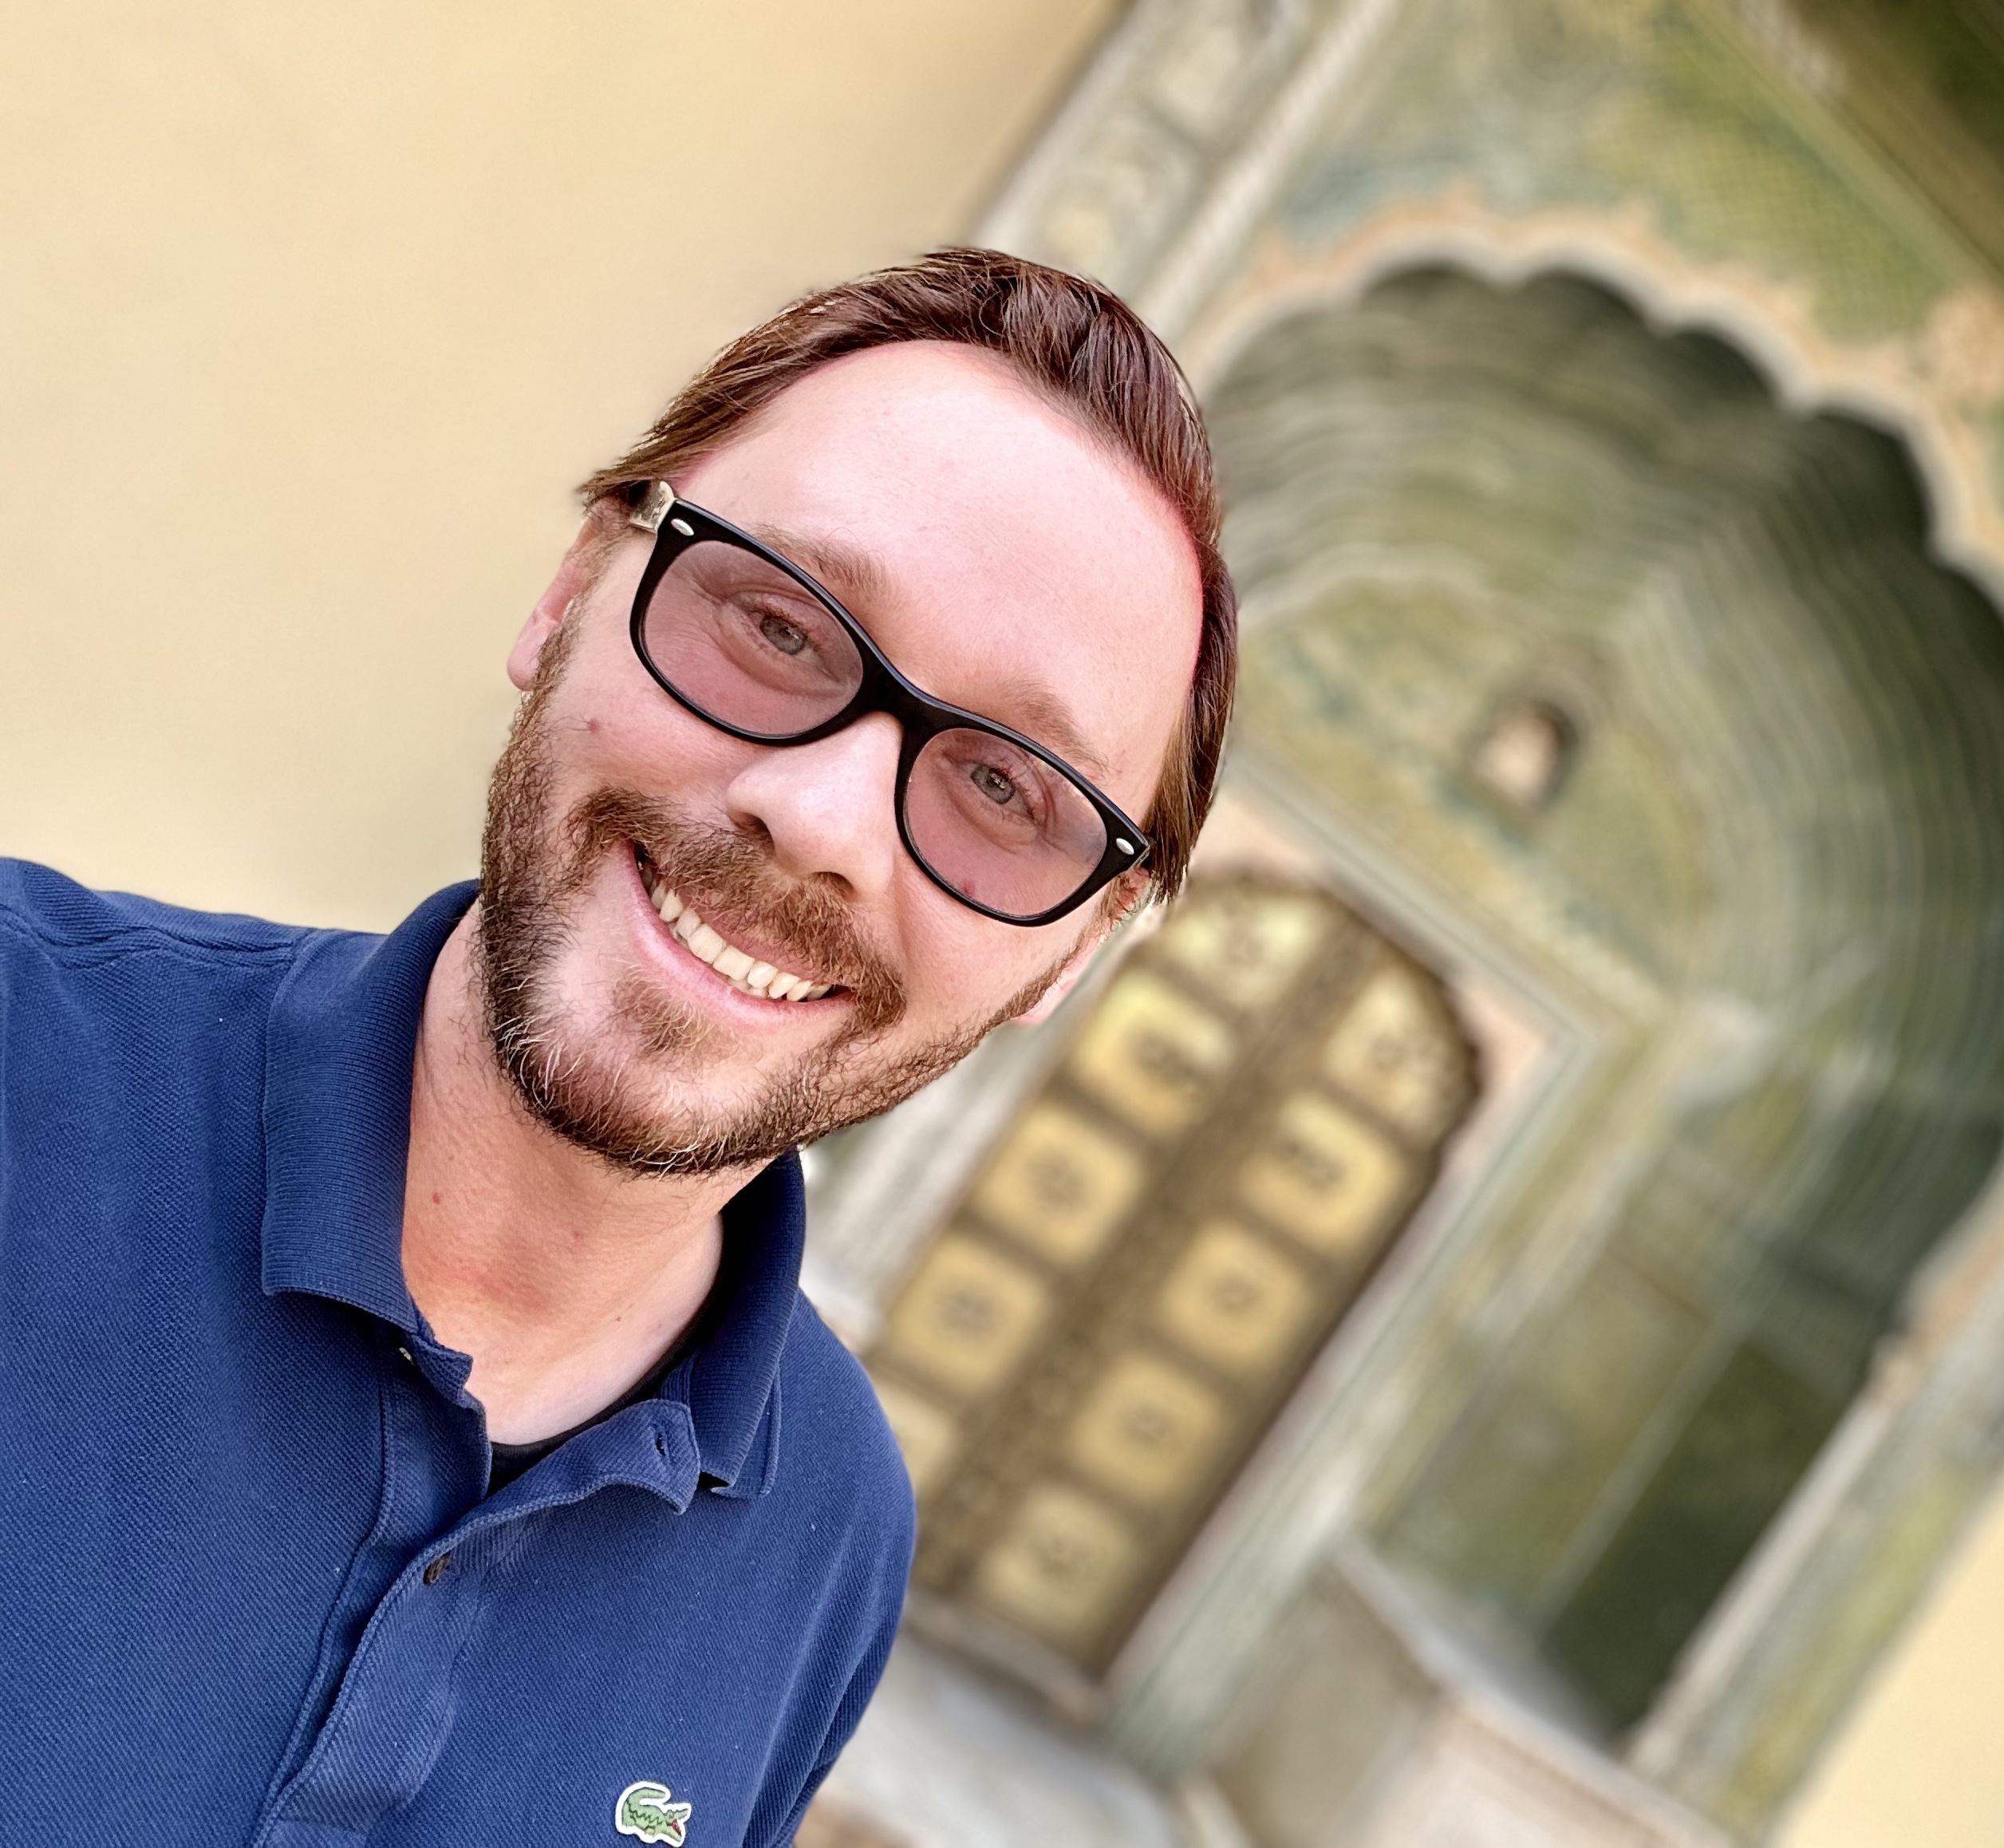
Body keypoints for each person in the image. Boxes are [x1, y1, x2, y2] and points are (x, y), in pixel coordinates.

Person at [0, 248, 1236, 1846]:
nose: (822, 821)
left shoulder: (827, 1534)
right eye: (779, 625)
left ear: (1071, 950)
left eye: (1006, 790)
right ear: (574, 587)